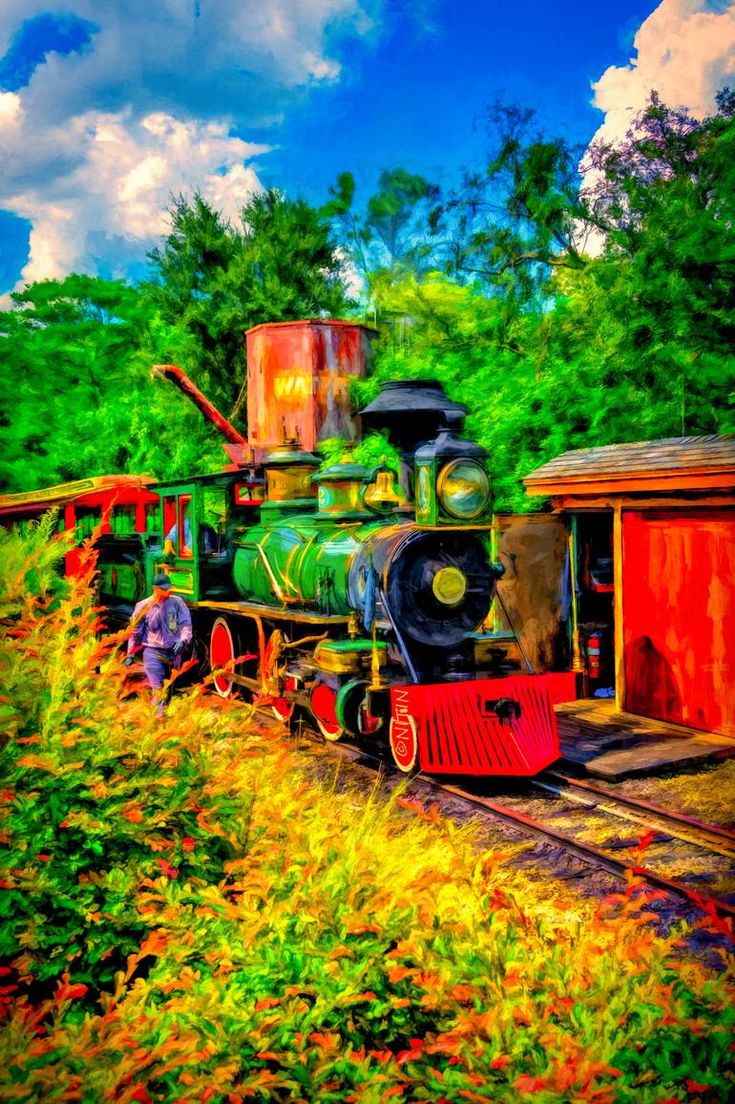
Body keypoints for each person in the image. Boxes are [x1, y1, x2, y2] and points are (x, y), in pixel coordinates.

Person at [124, 572, 192, 712]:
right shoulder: (144, 606)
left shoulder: (177, 603)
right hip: (152, 652)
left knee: (168, 689)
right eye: (165, 589)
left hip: (173, 653)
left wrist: (183, 640)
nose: (169, 591)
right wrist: (130, 654)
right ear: (156, 588)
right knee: (158, 689)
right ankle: (157, 719)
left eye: (170, 588)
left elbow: (186, 625)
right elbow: (135, 631)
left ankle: (163, 721)